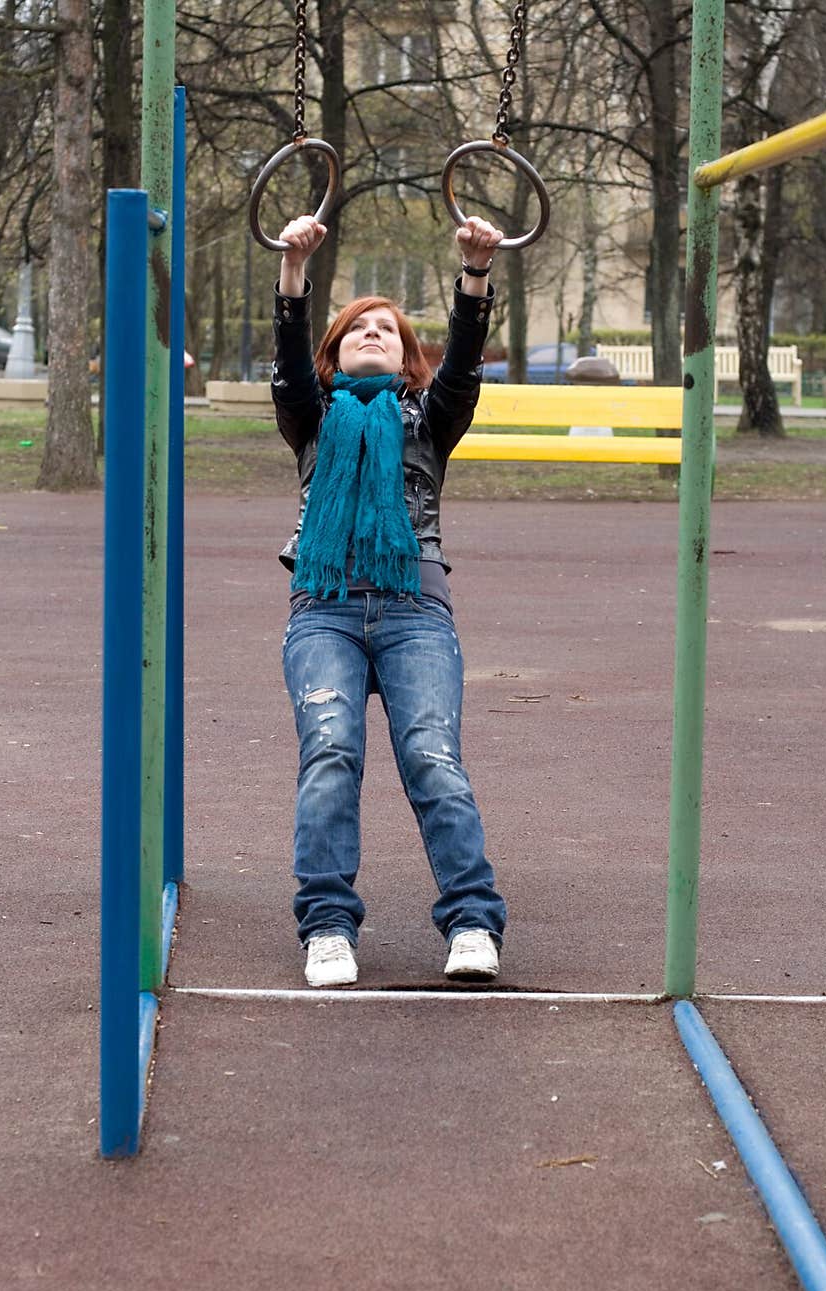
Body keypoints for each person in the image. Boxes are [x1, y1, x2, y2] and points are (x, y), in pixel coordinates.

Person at [272, 210, 507, 988]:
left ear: (408, 359)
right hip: (326, 611)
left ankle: (473, 921)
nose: (373, 332)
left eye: (389, 329)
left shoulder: (427, 424)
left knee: (433, 759)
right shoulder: (312, 419)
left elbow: (466, 367)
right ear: (335, 352)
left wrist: (474, 273)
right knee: (332, 753)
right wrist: (294, 274)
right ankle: (328, 927)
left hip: (414, 613)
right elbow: (288, 367)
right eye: (357, 327)